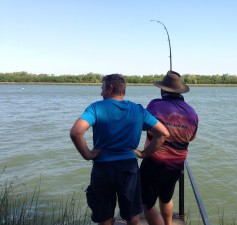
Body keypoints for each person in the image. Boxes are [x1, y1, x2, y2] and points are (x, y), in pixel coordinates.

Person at [70, 74, 169, 225]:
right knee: (132, 215)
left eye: (102, 88)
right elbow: (163, 133)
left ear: (110, 88)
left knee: (104, 217)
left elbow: (76, 132)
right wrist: (144, 154)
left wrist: (88, 155)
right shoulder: (138, 110)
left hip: (102, 169)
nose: (101, 93)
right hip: (128, 169)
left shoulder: (96, 107)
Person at [133, 70, 199, 225]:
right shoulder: (192, 112)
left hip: (154, 161)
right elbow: (192, 137)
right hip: (177, 164)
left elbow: (143, 126)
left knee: (147, 203)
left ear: (163, 90)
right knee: (166, 197)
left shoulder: (155, 105)